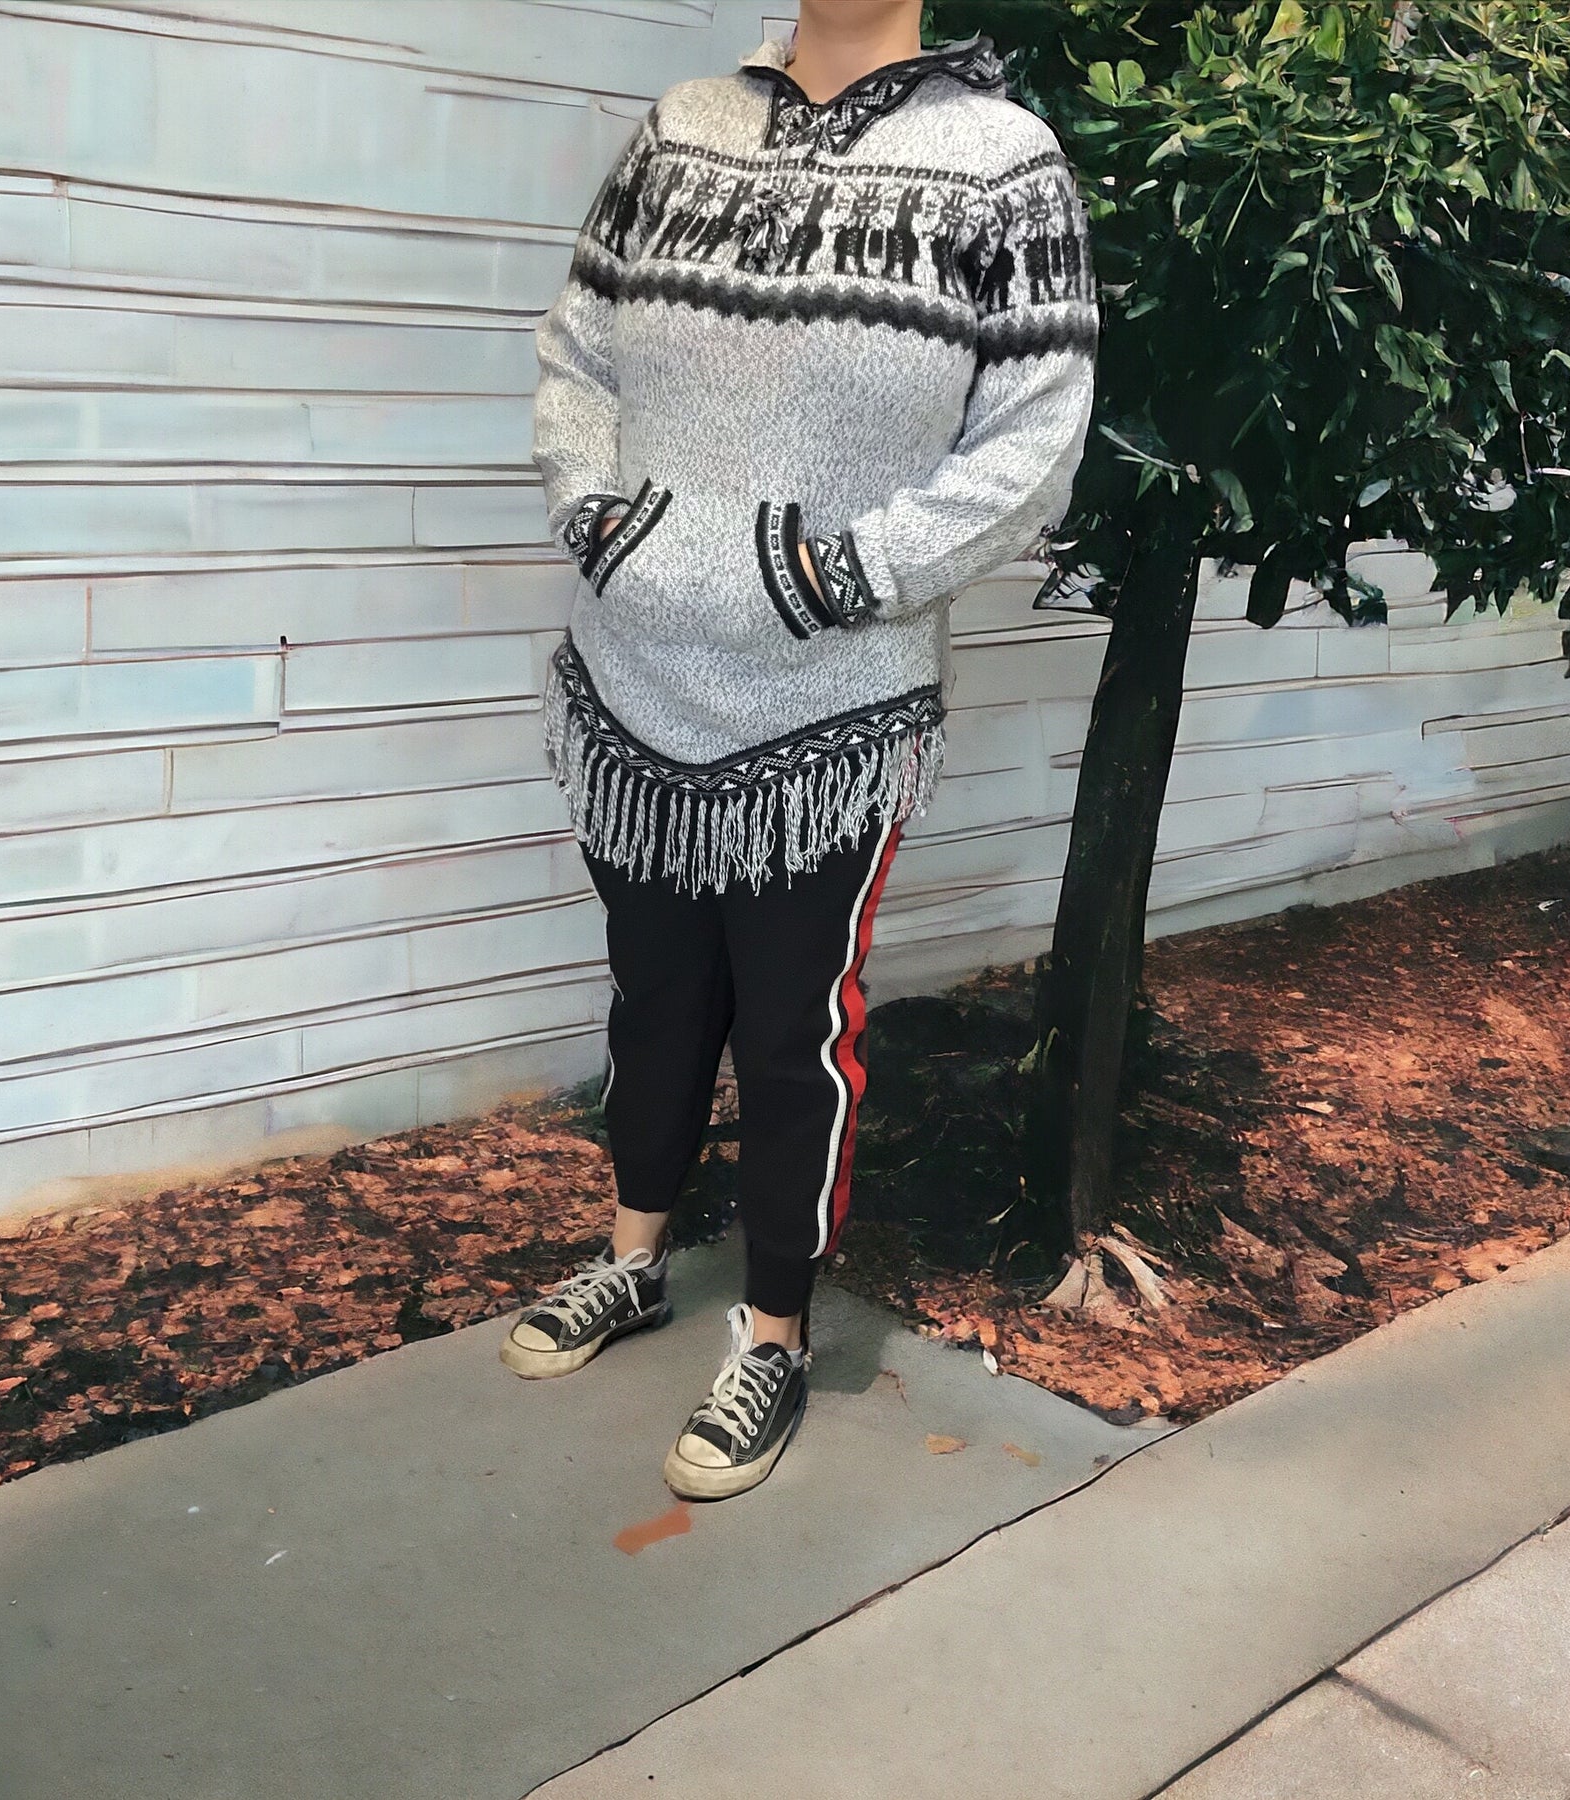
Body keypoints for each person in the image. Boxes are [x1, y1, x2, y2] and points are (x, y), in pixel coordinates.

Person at [502, 0, 1099, 1501]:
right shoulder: (681, 124)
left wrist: (840, 574)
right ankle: (633, 1259)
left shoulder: (1003, 162)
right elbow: (579, 346)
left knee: (790, 1030)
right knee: (654, 996)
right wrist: (593, 515)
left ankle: (772, 1332)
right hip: (635, 676)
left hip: (831, 706)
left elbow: (1033, 439)